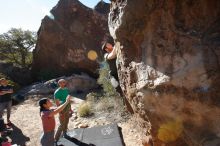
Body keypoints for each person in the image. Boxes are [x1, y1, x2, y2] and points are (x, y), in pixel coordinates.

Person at [101, 42, 134, 113]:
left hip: (120, 74)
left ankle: (131, 109)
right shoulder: (106, 55)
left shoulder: (116, 50)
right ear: (106, 49)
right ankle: (127, 110)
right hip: (113, 77)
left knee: (128, 90)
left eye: (109, 43)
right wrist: (117, 44)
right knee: (121, 91)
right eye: (108, 45)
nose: (110, 44)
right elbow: (112, 55)